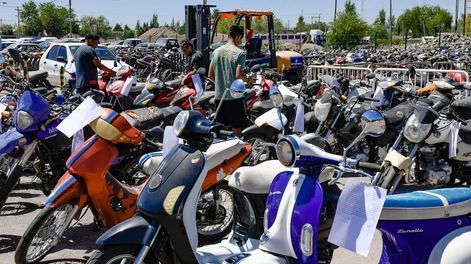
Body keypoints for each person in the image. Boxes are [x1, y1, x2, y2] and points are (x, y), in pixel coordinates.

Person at [209, 25, 252, 137]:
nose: (241, 41)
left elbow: (210, 75)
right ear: (237, 36)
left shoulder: (216, 52)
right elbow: (238, 76)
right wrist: (248, 79)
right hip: (234, 98)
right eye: (241, 38)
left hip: (219, 97)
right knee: (236, 128)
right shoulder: (240, 53)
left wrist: (221, 84)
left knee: (222, 130)